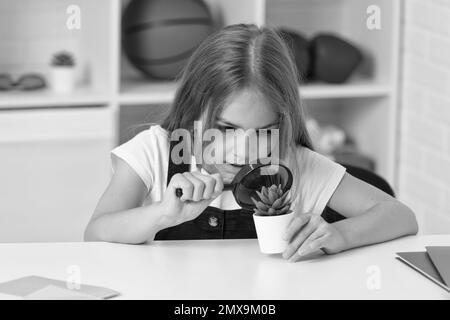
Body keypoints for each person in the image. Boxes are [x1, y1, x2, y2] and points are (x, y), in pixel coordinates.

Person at [84, 24, 418, 262]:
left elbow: (399, 216)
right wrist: (161, 215)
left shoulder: (295, 163)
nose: (243, 150)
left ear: (283, 122)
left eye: (263, 131)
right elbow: (95, 232)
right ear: (194, 109)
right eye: (225, 128)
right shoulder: (155, 151)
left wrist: (340, 236)